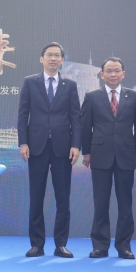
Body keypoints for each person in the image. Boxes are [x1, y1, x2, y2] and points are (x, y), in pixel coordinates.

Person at [17, 42, 81, 258]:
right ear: (41, 58)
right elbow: (23, 114)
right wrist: (23, 143)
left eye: (57, 55)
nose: (53, 58)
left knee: (63, 198)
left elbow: (76, 117)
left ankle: (61, 244)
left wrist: (76, 145)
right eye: (49, 55)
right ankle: (37, 244)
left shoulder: (69, 85)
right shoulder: (30, 82)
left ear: (62, 60)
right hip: (36, 146)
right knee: (37, 197)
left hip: (63, 148)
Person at [81, 57, 136, 259]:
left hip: (126, 155)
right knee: (101, 203)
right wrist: (86, 152)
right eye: (109, 71)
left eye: (117, 70)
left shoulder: (135, 96)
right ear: (102, 75)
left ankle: (124, 246)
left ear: (123, 74)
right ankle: (100, 245)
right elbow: (85, 127)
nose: (113, 74)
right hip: (100, 155)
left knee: (125, 204)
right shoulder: (92, 96)